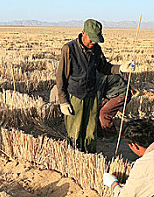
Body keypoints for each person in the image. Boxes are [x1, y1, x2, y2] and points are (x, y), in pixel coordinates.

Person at [55, 19, 134, 152]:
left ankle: (89, 154)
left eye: (96, 39)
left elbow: (104, 68)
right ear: (83, 32)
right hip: (75, 96)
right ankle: (75, 156)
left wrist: (120, 68)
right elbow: (61, 76)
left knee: (90, 130)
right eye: (91, 39)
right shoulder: (69, 49)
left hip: (92, 95)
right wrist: (63, 101)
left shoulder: (96, 49)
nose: (93, 42)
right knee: (75, 130)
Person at [96, 73, 132, 138]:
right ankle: (100, 134)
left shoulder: (100, 74)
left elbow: (99, 93)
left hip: (122, 94)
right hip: (113, 93)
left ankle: (110, 136)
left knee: (104, 113)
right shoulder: (99, 71)